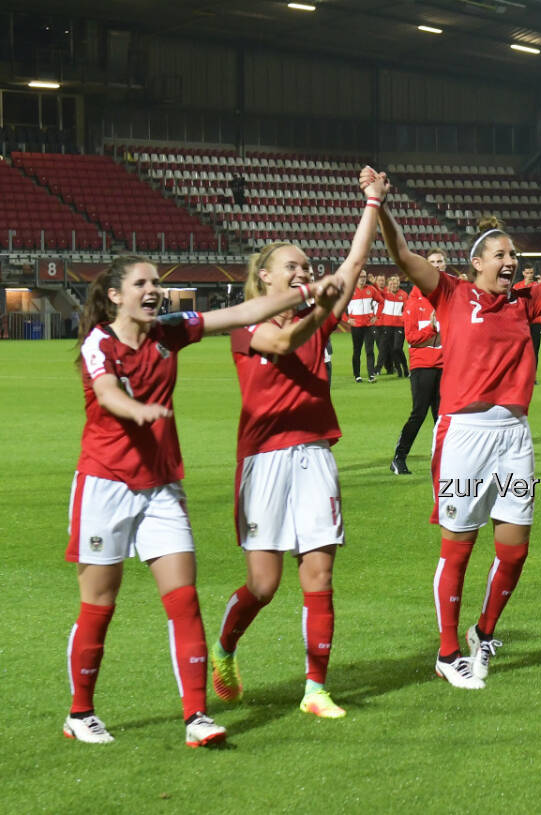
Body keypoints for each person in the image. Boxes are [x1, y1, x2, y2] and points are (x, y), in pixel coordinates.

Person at [65, 254, 342, 746]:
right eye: (142, 283)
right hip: (105, 486)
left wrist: (306, 293)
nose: (155, 291)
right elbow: (107, 394)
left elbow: (241, 314)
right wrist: (140, 410)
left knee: (185, 600)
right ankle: (80, 713)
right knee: (100, 605)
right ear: (114, 296)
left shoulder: (170, 330)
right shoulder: (98, 343)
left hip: (162, 488)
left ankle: (197, 717)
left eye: (157, 282)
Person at [372, 170, 541, 690]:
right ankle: (447, 654)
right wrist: (378, 204)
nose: (512, 262)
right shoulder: (449, 293)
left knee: (513, 547)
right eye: (502, 255)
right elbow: (401, 256)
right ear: (478, 261)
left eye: (515, 256)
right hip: (464, 434)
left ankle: (482, 631)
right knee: (459, 547)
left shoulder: (525, 301)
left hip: (514, 434)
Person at [209, 169, 387, 721]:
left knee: (320, 574)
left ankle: (315, 689)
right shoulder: (246, 325)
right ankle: (226, 648)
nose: (305, 272)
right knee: (263, 585)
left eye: (308, 267)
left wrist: (372, 203)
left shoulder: (317, 315)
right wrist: (320, 298)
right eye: (294, 266)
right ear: (264, 278)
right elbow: (284, 340)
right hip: (263, 461)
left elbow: (354, 266)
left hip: (314, 454)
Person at [391, 249, 450, 475]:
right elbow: (412, 338)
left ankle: (444, 460)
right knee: (419, 413)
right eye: (432, 262)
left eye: (440, 261)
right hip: (423, 365)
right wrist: (432, 327)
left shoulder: (449, 297)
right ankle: (399, 457)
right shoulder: (414, 300)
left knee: (443, 416)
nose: (436, 265)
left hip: (446, 364)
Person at [345, 271, 379, 383]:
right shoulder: (349, 290)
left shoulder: (371, 289)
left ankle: (371, 375)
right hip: (357, 326)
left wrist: (376, 316)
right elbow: (338, 305)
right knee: (357, 351)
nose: (362, 279)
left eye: (364, 277)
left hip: (369, 326)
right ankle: (357, 375)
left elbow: (382, 301)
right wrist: (347, 319)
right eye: (360, 277)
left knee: (370, 350)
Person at [375, 274, 409, 378]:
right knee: (386, 348)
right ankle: (397, 370)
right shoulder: (384, 293)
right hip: (387, 326)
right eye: (392, 283)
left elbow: (407, 310)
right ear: (389, 285)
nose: (394, 285)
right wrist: (373, 282)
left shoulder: (404, 295)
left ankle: (405, 367)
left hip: (399, 326)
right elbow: (376, 291)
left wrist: (405, 320)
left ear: (399, 283)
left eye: (396, 283)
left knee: (397, 348)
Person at [516, 266, 541, 366]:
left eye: (531, 273)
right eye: (527, 273)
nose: (529, 275)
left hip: (536, 321)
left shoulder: (537, 285)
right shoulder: (518, 286)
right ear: (523, 273)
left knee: (535, 350)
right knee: (521, 350)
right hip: (522, 322)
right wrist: (526, 286)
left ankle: (533, 376)